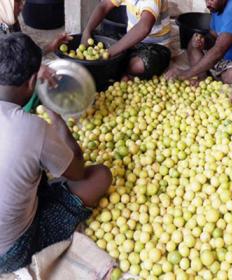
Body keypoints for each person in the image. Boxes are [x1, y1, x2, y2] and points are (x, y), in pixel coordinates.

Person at [0, 33, 112, 273]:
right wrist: (56, 116)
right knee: (101, 175)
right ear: (32, 83)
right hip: (9, 253)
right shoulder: (32, 128)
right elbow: (79, 173)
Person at [165, 0, 232, 85]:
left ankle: (208, 77)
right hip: (225, 59)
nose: (208, 4)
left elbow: (219, 50)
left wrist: (186, 73)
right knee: (192, 42)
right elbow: (214, 37)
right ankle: (203, 78)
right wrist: (203, 42)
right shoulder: (216, 8)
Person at [82, 0, 171, 79]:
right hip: (131, 43)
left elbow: (144, 27)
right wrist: (87, 30)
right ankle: (117, 65)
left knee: (139, 65)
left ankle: (117, 66)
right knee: (98, 38)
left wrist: (109, 52)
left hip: (155, 47)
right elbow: (104, 6)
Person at [0, 0, 72, 86]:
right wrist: (35, 71)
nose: (22, 7)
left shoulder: (10, 23)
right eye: (18, 2)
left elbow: (21, 55)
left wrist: (50, 46)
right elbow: (5, 73)